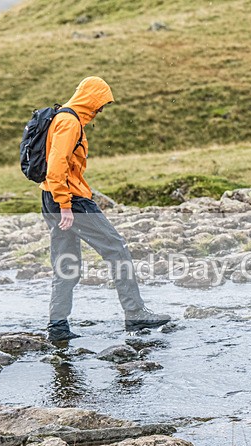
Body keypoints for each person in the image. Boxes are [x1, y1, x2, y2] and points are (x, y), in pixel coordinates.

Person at [40, 76, 170, 342]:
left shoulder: (61, 117)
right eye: (100, 105)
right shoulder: (69, 122)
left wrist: (60, 202)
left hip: (52, 197)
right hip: (70, 200)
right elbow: (56, 166)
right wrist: (65, 205)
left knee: (67, 263)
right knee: (116, 248)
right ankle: (135, 315)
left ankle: (58, 327)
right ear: (91, 99)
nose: (100, 111)